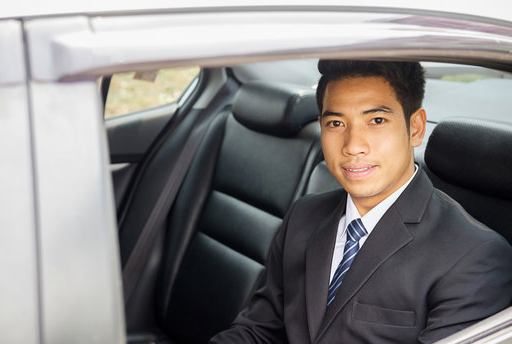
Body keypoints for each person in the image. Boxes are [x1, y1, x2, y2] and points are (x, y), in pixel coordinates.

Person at [210, 60, 512, 343]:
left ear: (415, 128)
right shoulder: (303, 216)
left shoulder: (475, 259)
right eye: (336, 124)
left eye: (376, 120)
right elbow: (259, 330)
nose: (353, 146)